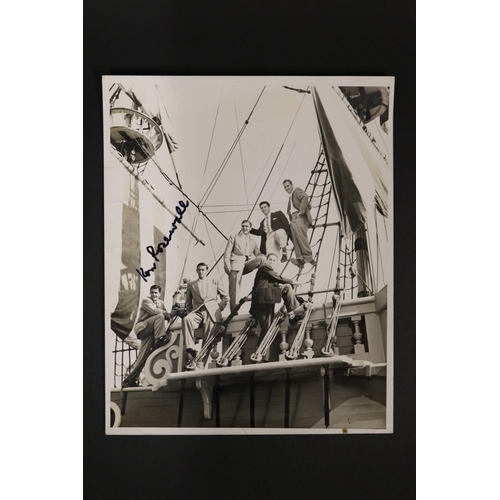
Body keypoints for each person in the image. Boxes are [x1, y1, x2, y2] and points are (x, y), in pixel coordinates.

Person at [250, 253, 305, 358]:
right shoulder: (265, 267)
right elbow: (278, 278)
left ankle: (261, 355)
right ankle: (294, 313)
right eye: (270, 259)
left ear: (277, 263)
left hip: (265, 300)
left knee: (267, 327)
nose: (271, 261)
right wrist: (292, 281)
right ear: (266, 260)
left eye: (274, 260)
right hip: (263, 298)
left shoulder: (268, 273)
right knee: (287, 287)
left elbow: (275, 281)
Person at [122, 285, 171, 387]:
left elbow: (168, 316)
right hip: (143, 328)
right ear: (150, 293)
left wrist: (172, 313)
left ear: (159, 294)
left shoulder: (161, 303)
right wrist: (166, 314)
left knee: (143, 356)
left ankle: (130, 379)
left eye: (156, 293)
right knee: (160, 316)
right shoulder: (146, 301)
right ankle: (158, 339)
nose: (154, 294)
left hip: (151, 331)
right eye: (152, 292)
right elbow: (155, 312)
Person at [182, 262, 229, 368]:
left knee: (208, 339)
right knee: (186, 319)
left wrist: (218, 309)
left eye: (203, 269)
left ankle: (200, 363)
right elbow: (188, 303)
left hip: (211, 313)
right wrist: (191, 312)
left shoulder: (214, 281)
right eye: (199, 270)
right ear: (196, 271)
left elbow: (225, 298)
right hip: (197, 312)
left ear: (207, 271)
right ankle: (191, 349)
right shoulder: (191, 284)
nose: (201, 271)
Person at [224, 220, 266, 313]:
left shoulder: (253, 241)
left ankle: (262, 281)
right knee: (235, 289)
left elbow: (257, 253)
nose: (244, 228)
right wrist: (227, 264)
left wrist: (264, 256)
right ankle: (234, 311)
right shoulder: (234, 237)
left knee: (262, 259)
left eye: (247, 226)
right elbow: (227, 251)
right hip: (235, 264)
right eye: (243, 226)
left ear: (250, 228)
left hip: (246, 264)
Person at [283, 179, 316, 267]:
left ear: (292, 185)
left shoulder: (296, 190)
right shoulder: (290, 197)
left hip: (300, 216)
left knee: (300, 234)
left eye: (288, 186)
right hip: (293, 218)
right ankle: (300, 258)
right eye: (285, 187)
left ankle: (308, 256)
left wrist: (301, 212)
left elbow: (305, 197)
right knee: (294, 236)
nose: (286, 188)